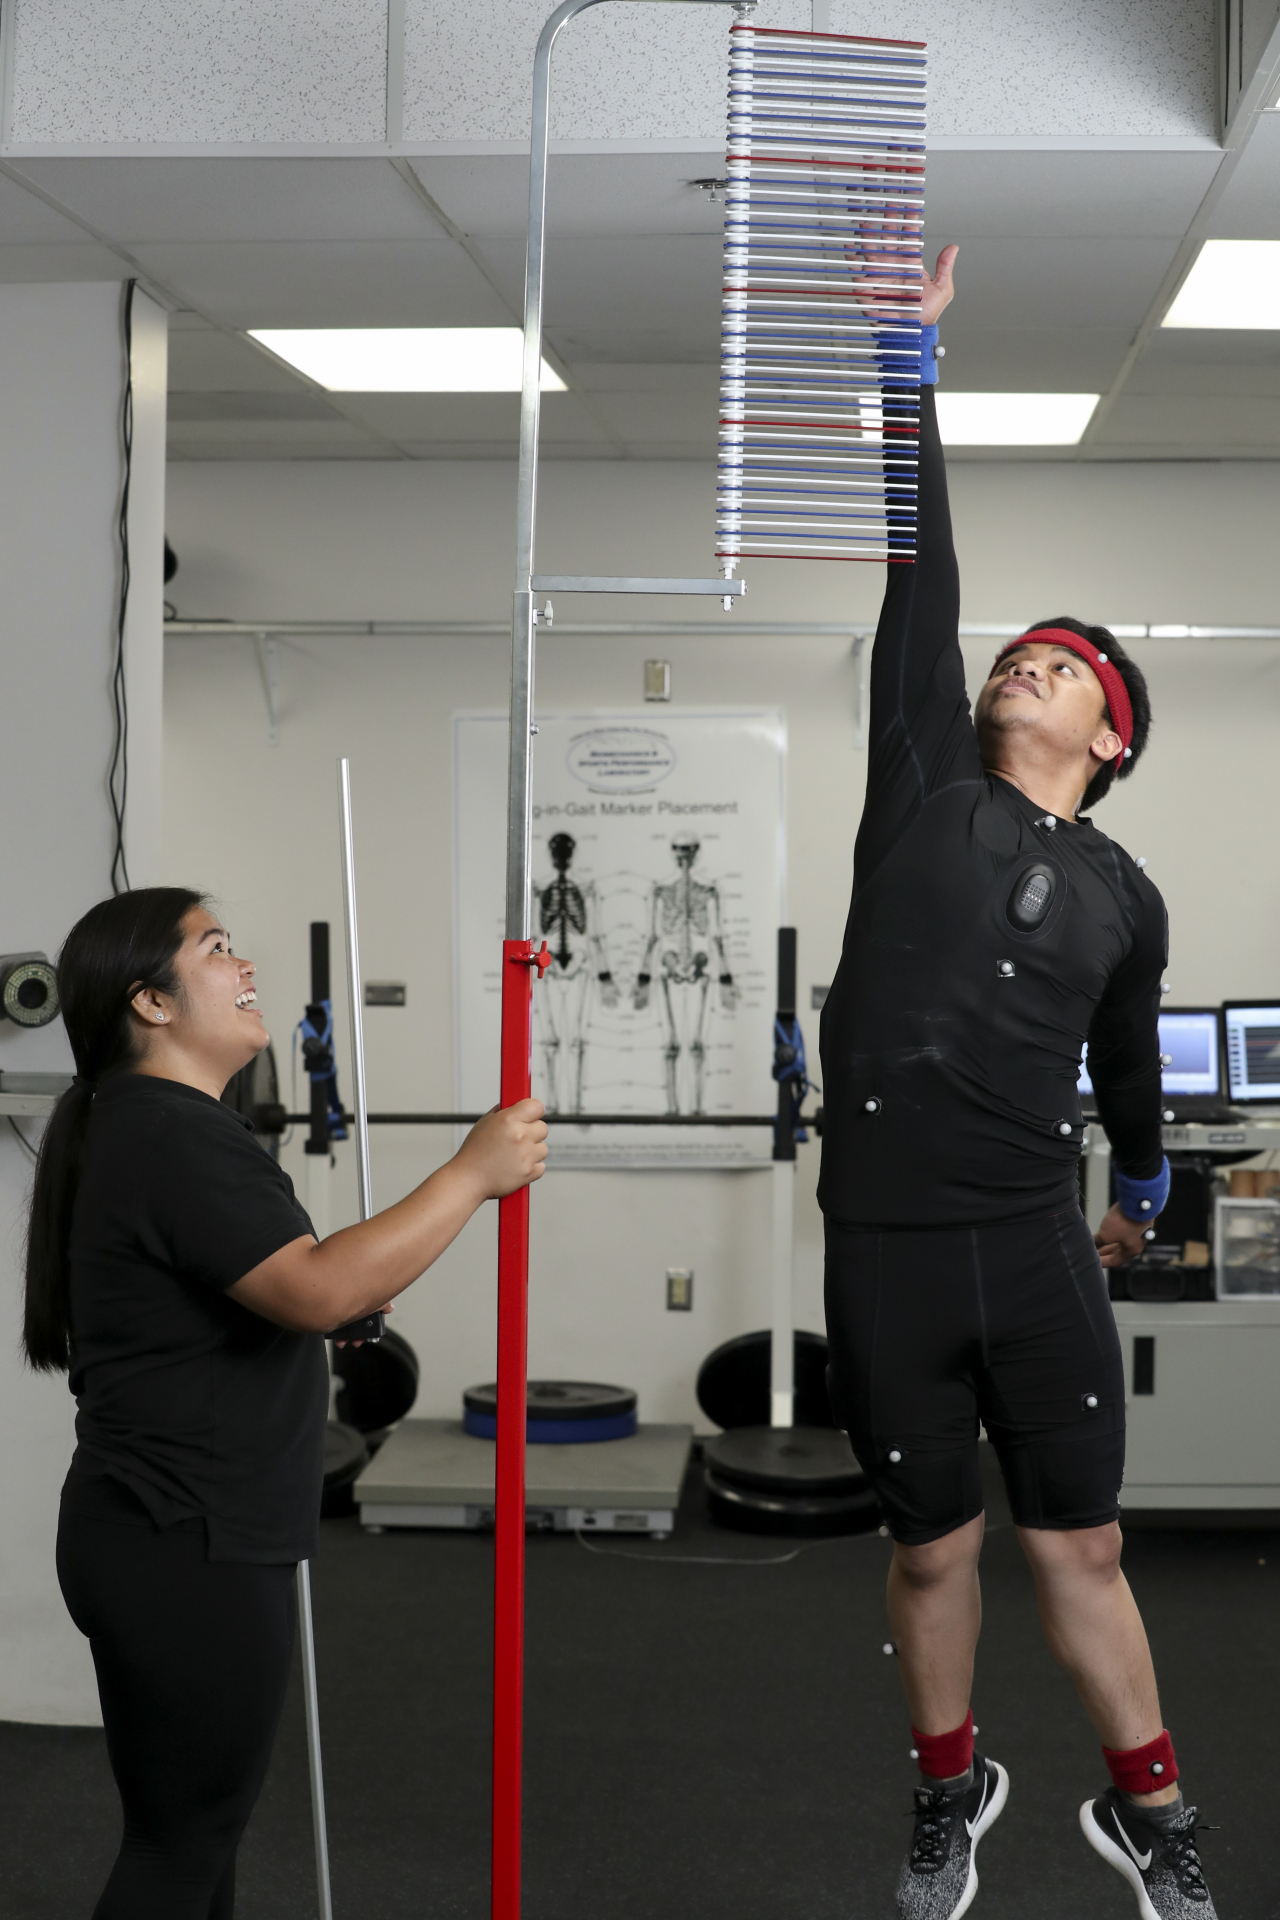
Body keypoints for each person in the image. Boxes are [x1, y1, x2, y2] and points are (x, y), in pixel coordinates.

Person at [818, 249, 1218, 1920]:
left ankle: (1153, 1815)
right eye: (1022, 651)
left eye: (1067, 664)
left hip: (1028, 1242)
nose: (1028, 661)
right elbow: (928, 567)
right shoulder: (919, 779)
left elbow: (1130, 1071)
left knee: (1083, 1545)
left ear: (1111, 737)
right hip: (888, 1243)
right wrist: (913, 367)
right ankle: (947, 1788)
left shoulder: (1126, 894)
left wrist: (1139, 1195)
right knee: (930, 1547)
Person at [24, 887, 547, 1920]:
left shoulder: (146, 1126)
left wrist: (331, 1294)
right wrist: (473, 1171)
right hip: (188, 1540)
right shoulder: (173, 1134)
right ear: (151, 1003)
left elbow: (285, 1290)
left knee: (191, 1839)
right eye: (216, 950)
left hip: (158, 1530)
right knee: (182, 1848)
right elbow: (316, 1286)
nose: (245, 964)